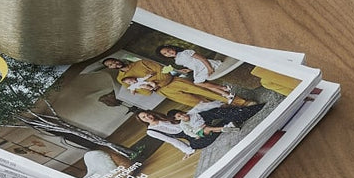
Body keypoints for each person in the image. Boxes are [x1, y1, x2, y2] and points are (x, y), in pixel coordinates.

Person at [99, 56, 252, 106]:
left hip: (174, 81)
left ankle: (241, 102)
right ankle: (228, 109)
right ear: (111, 68)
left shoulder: (141, 63)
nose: (115, 64)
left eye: (114, 61)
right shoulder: (121, 79)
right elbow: (143, 91)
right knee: (196, 102)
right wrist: (153, 85)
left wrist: (155, 81)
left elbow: (162, 71)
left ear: (117, 59)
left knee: (204, 90)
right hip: (164, 91)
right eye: (111, 65)